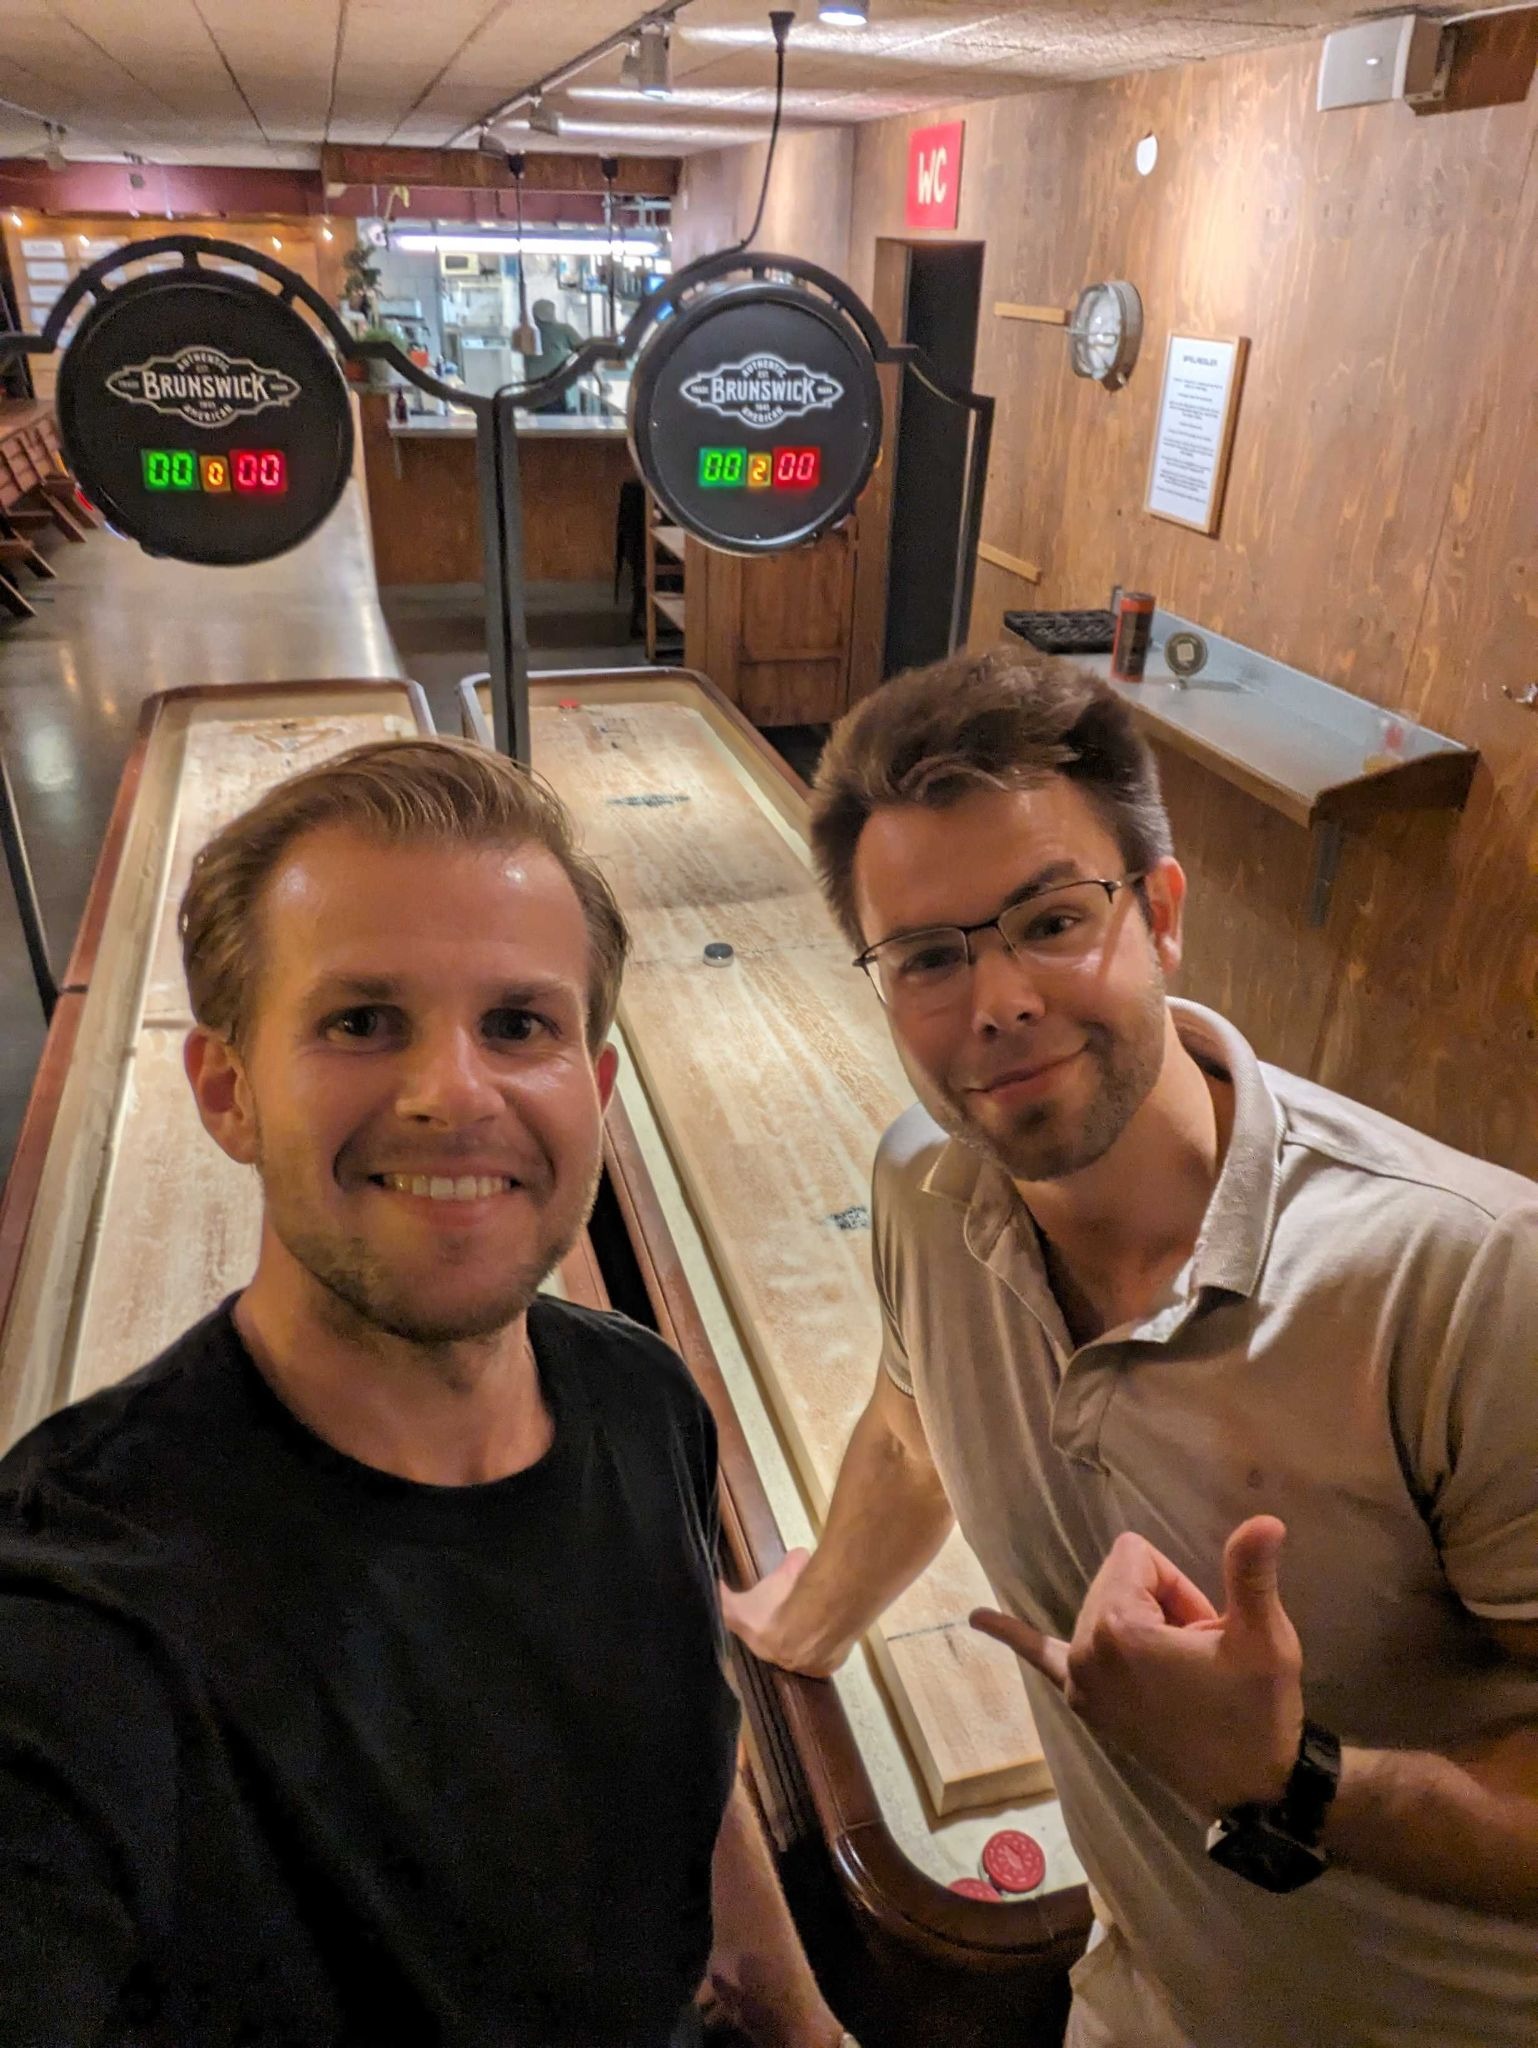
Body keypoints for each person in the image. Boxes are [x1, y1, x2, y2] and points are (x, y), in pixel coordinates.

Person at [723, 646, 1538, 2048]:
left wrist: (1286, 1778)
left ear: (1159, 914)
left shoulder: (1468, 1276)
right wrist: (805, 1624)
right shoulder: (926, 1186)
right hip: (1133, 1998)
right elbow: (914, 1433)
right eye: (927, 956)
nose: (996, 1000)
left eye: (1049, 919)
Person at [0, 738, 852, 2048]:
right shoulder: (82, 1600)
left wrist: (803, 2021)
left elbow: (688, 1745)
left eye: (518, 1025)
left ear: (594, 1090)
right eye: (360, 1021)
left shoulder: (641, 1399)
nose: (455, 1091)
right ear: (228, 1091)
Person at [524, 297, 584, 413]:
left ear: (534, 316)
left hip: (533, 388)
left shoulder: (527, 333)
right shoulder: (564, 330)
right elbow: (584, 351)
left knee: (538, 420)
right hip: (555, 387)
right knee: (557, 419)